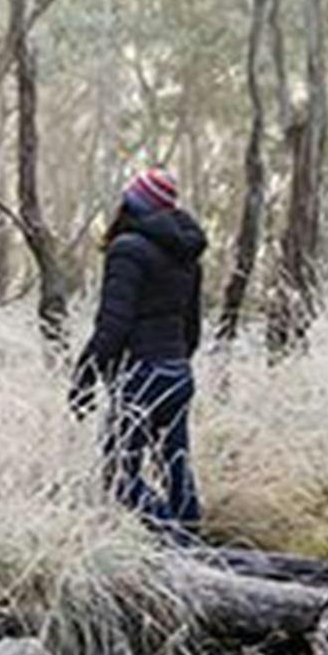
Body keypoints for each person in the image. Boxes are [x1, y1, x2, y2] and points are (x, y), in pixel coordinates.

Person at [69, 168, 207, 534]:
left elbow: (112, 325)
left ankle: (178, 545)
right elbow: (192, 326)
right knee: (176, 465)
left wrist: (84, 378)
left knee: (119, 474)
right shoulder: (188, 254)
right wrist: (176, 364)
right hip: (177, 370)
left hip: (140, 372)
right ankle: (195, 541)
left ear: (132, 205)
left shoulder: (127, 249)